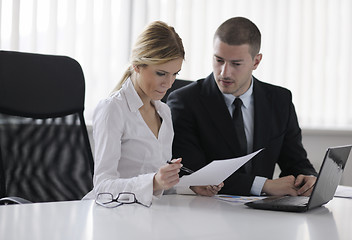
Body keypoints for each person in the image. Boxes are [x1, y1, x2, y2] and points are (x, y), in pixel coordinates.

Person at [167, 17, 317, 197]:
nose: (224, 72)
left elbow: (296, 161)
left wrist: (308, 178)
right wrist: (264, 185)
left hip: (264, 215)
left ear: (256, 62)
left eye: (236, 64)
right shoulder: (184, 102)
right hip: (208, 212)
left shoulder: (280, 100)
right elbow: (193, 172)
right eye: (219, 60)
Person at [83, 21, 222, 207]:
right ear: (137, 66)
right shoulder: (113, 109)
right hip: (112, 216)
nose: (169, 83)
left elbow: (157, 187)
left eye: (175, 74)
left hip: (147, 216)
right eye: (161, 73)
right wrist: (154, 181)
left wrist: (191, 187)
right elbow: (102, 187)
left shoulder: (164, 112)